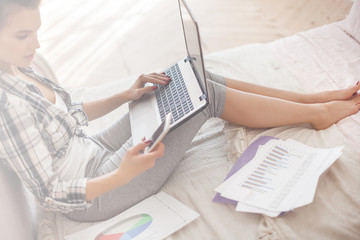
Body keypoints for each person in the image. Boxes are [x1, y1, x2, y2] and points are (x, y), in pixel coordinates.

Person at [0, 0, 359, 222]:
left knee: (188, 77)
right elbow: (49, 192)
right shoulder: (8, 107)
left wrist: (126, 95)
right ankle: (318, 114)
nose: (36, 44)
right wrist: (123, 173)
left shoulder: (21, 68)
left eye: (36, 32)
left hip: (94, 149)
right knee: (206, 99)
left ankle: (310, 100)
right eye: (22, 36)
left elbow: (70, 114)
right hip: (94, 194)